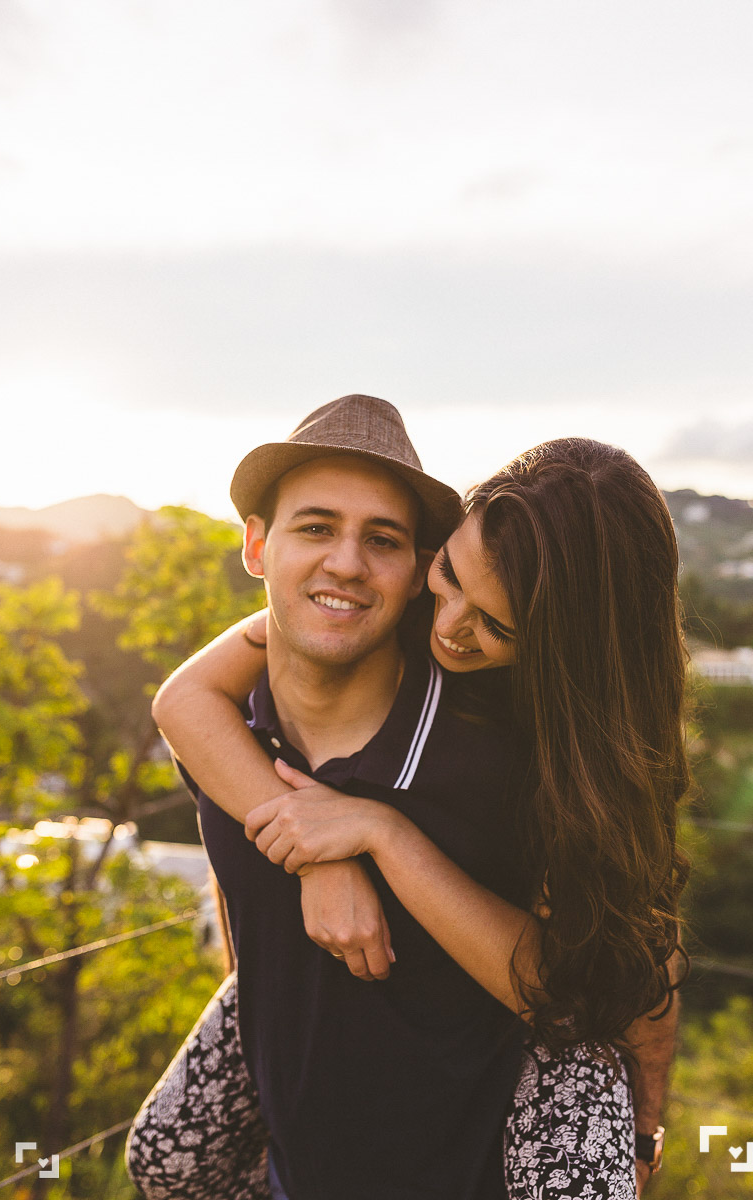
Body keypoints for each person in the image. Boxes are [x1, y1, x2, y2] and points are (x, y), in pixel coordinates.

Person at [127, 396, 687, 1199]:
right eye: (448, 579)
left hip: (540, 1025)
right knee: (163, 1158)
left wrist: (384, 836)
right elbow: (182, 699)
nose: (449, 625)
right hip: (314, 1080)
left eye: (495, 625)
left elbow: (611, 975)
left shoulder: (553, 745)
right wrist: (318, 862)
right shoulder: (331, 633)